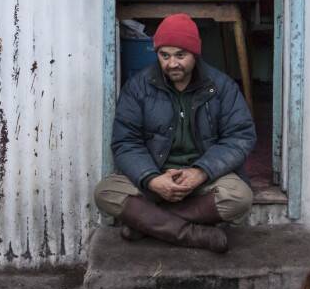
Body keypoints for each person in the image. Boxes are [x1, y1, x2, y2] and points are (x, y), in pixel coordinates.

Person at [94, 13, 256, 253]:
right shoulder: (139, 87)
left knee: (240, 197)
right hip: (155, 177)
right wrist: (151, 178)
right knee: (105, 191)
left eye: (181, 55)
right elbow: (126, 141)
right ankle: (190, 234)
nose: (172, 64)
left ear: (195, 54)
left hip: (201, 180)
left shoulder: (221, 87)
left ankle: (144, 224)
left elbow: (240, 137)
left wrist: (200, 172)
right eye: (164, 55)